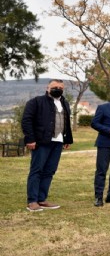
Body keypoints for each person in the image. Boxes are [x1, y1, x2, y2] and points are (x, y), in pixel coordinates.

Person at [22, 79, 73, 212]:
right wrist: (30, 139)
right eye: (54, 86)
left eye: (60, 87)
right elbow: (26, 120)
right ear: (47, 88)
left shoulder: (65, 103)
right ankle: (32, 201)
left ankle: (41, 199)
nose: (58, 89)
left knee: (49, 171)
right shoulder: (36, 102)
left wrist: (67, 139)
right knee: (37, 170)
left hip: (58, 141)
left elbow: (66, 122)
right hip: (41, 141)